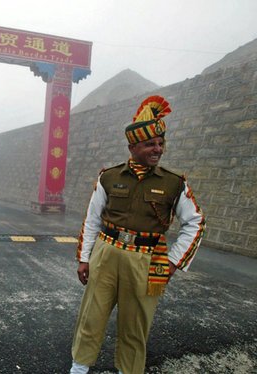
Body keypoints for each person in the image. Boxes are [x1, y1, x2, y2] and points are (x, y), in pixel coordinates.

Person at [69, 96, 206, 374]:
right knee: (91, 317)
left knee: (135, 325)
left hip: (147, 260)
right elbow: (92, 219)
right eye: (150, 144)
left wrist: (172, 262)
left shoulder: (173, 182)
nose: (158, 149)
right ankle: (78, 369)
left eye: (160, 143)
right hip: (105, 254)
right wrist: (84, 259)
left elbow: (195, 222)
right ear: (132, 147)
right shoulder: (108, 177)